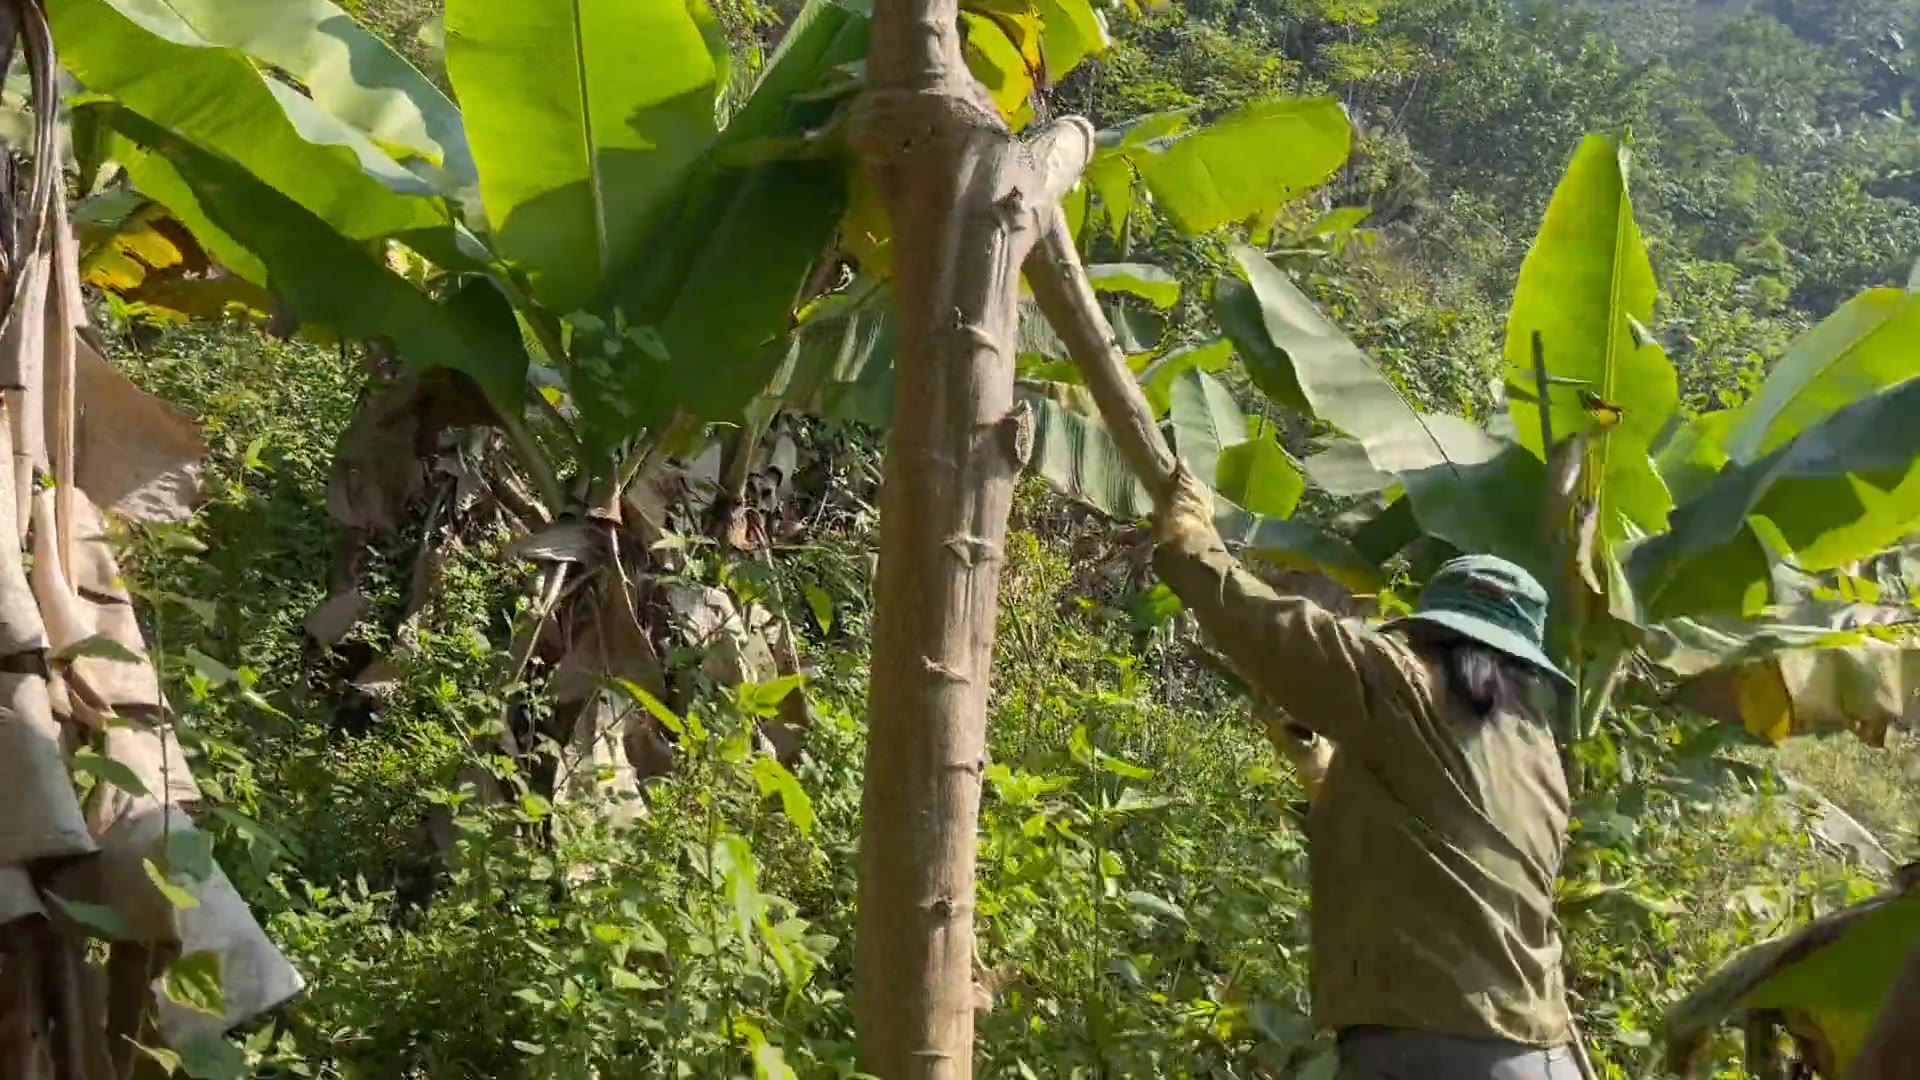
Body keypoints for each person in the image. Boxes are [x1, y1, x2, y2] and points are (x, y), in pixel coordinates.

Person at [1151, 465, 1584, 1079]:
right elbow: (1439, 844)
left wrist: (1192, 537)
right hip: (1538, 1053)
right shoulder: (1535, 749)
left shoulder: (1403, 680)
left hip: (1429, 1048)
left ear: (1433, 631)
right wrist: (1320, 768)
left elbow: (1273, 632)